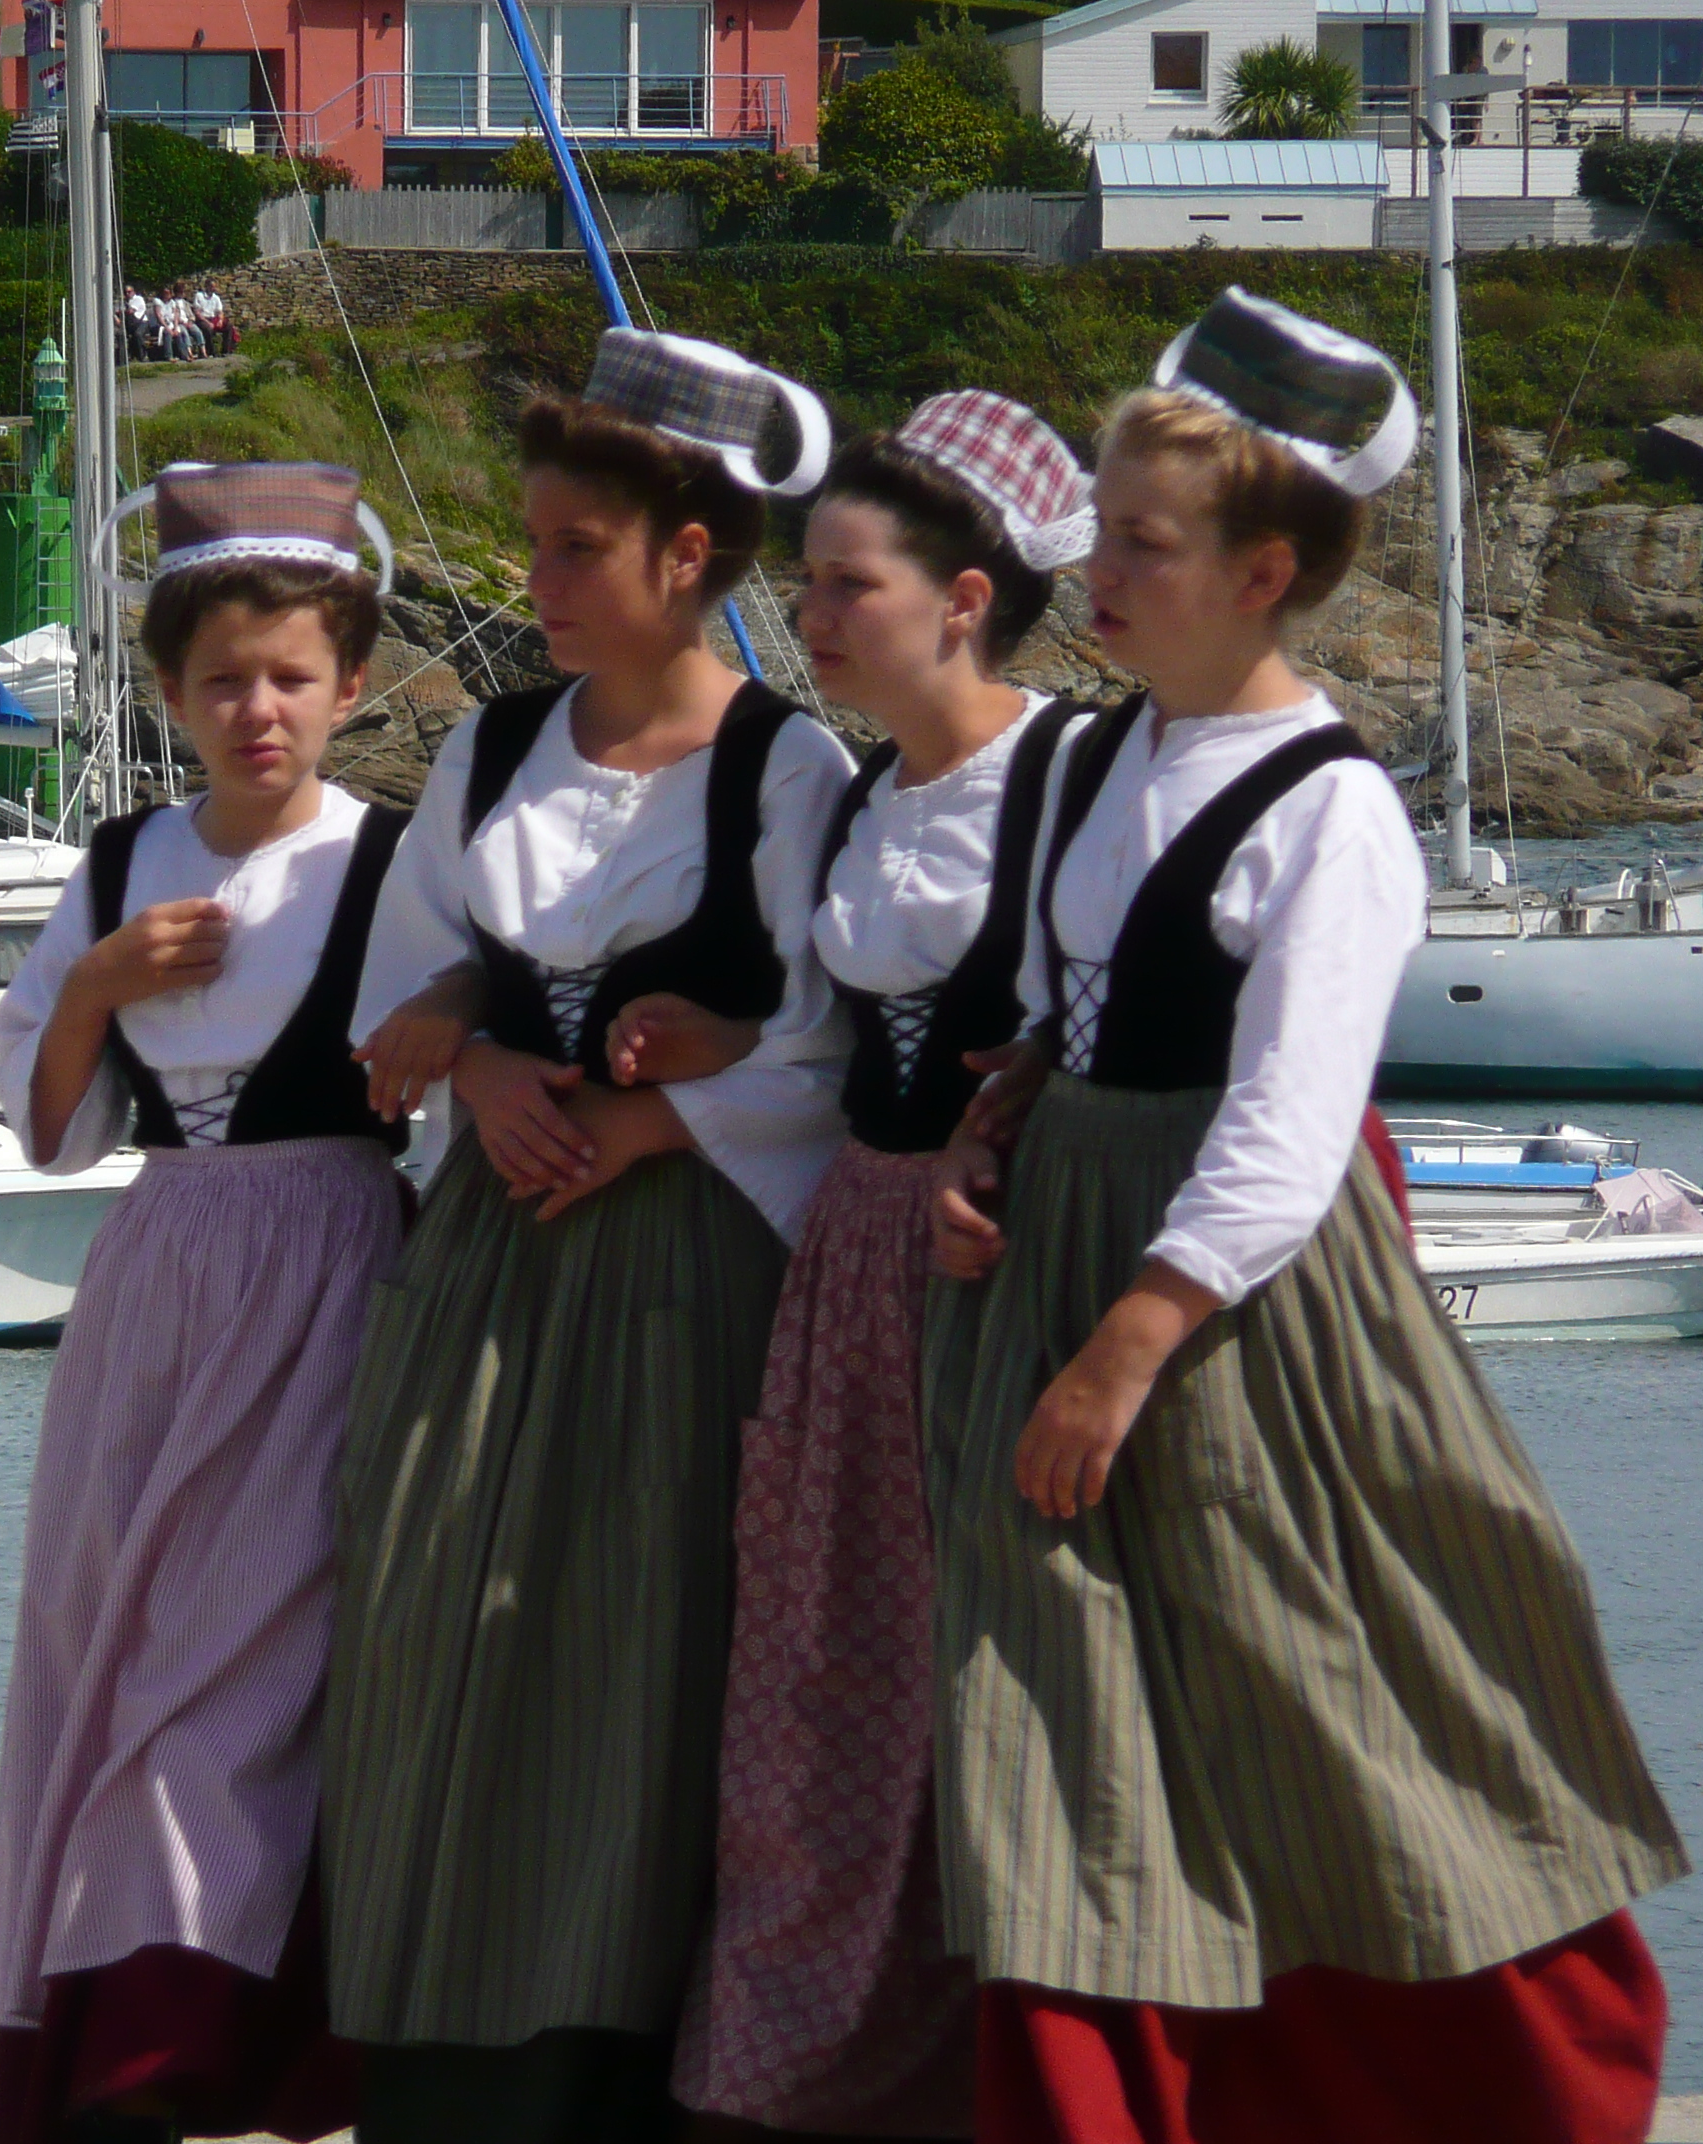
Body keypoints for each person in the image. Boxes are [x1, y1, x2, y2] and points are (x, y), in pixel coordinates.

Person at [923, 287, 1689, 2144]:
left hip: (1236, 1312)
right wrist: (995, 1124)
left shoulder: (1333, 811)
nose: (1094, 571)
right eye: (1099, 531)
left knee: (1329, 1696)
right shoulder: (1096, 756)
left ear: (1267, 572)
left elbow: (1285, 1127)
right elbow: (1059, 1007)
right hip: (1069, 1265)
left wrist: (1126, 1345)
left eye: (1143, 545)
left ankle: (1478, 2089)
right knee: (1050, 1718)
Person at [321, 324, 853, 2142]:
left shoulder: (786, 775)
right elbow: (401, 1001)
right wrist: (476, 1066)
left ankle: (619, 2062)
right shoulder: (485, 752)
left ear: (687, 559)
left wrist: (637, 1116)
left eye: (573, 549)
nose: (534, 579)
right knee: (433, 1615)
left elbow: (822, 1040)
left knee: (633, 1640)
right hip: (487, 1250)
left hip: (683, 1263)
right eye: (535, 539)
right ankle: (447, 2055)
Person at [672, 392, 1098, 2143]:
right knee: (825, 1663)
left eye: (850, 585)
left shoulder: (1077, 779)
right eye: (817, 583)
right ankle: (803, 2066)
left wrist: (1022, 1134)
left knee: (999, 1676)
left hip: (1003, 1268)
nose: (813, 616)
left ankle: (1012, 2061)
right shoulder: (858, 796)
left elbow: (1123, 1029)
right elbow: (813, 1037)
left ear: (968, 598)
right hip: (856, 1255)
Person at [0, 460, 411, 2144]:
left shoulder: (389, 866)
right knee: (109, 1662)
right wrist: (94, 980)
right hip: (155, 1291)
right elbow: (46, 1123)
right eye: (222, 679)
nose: (257, 710)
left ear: (350, 687)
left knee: (246, 1670)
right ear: (168, 693)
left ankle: (187, 2049)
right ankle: (126, 2037)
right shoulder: (114, 865)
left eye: (291, 677)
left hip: (334, 1279)